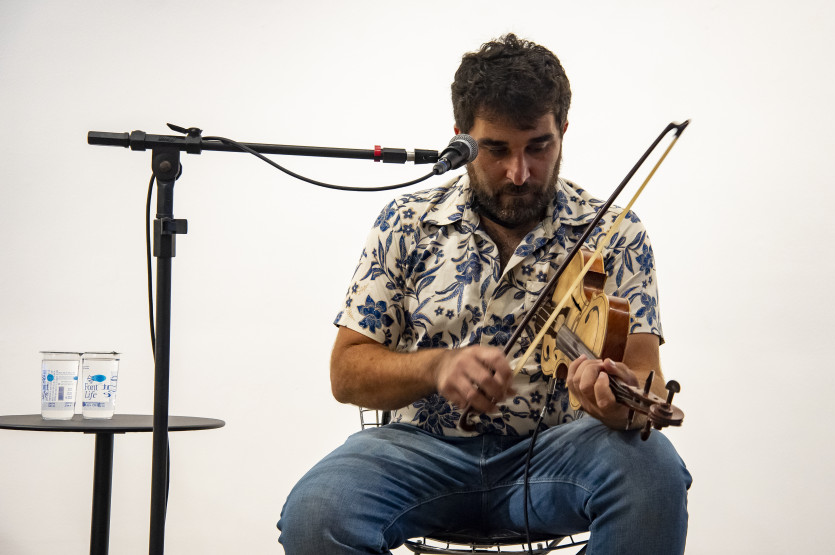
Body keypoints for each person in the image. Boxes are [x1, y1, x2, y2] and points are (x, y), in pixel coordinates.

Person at [277, 33, 691, 554]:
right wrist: (435, 367)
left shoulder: (616, 233)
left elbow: (644, 376)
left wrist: (614, 402)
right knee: (318, 512)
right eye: (496, 150)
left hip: (557, 457)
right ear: (462, 138)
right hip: (420, 453)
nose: (519, 173)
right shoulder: (407, 223)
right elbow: (347, 373)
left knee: (654, 474)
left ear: (563, 130)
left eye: (539, 147)